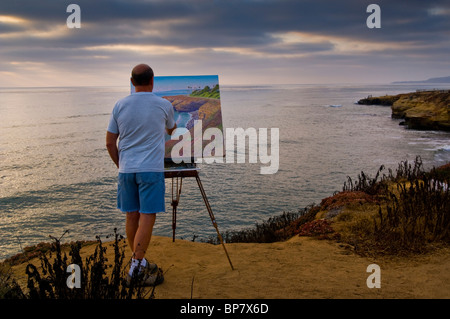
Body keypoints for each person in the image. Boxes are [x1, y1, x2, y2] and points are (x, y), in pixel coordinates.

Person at [106, 64, 177, 286]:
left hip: (126, 169)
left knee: (131, 215)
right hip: (150, 169)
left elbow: (110, 142)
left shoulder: (120, 105)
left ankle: (140, 262)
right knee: (148, 215)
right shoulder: (164, 105)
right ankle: (136, 269)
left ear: (131, 81)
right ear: (152, 80)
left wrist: (121, 164)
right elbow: (171, 129)